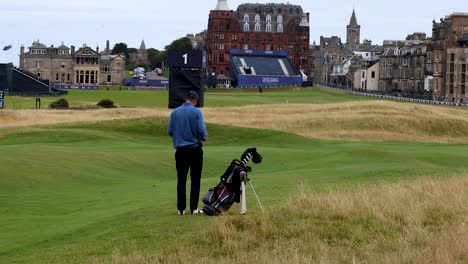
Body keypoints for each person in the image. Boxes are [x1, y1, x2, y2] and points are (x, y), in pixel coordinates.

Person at [168, 91, 208, 215]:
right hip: (195, 150)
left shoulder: (174, 112)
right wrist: (204, 137)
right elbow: (202, 130)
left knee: (181, 180)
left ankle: (181, 209)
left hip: (180, 151)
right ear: (194, 101)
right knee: (195, 179)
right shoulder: (197, 112)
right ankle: (194, 208)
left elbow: (170, 131)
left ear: (186, 99)